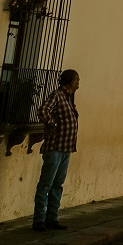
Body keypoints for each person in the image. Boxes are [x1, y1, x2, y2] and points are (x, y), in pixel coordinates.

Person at [32, 69, 80, 231]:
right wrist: (53, 124)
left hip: (66, 148)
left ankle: (52, 218)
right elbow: (43, 110)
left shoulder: (69, 97)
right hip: (55, 148)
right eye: (77, 80)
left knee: (57, 185)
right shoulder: (58, 95)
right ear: (71, 81)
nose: (79, 83)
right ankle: (39, 220)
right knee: (46, 184)